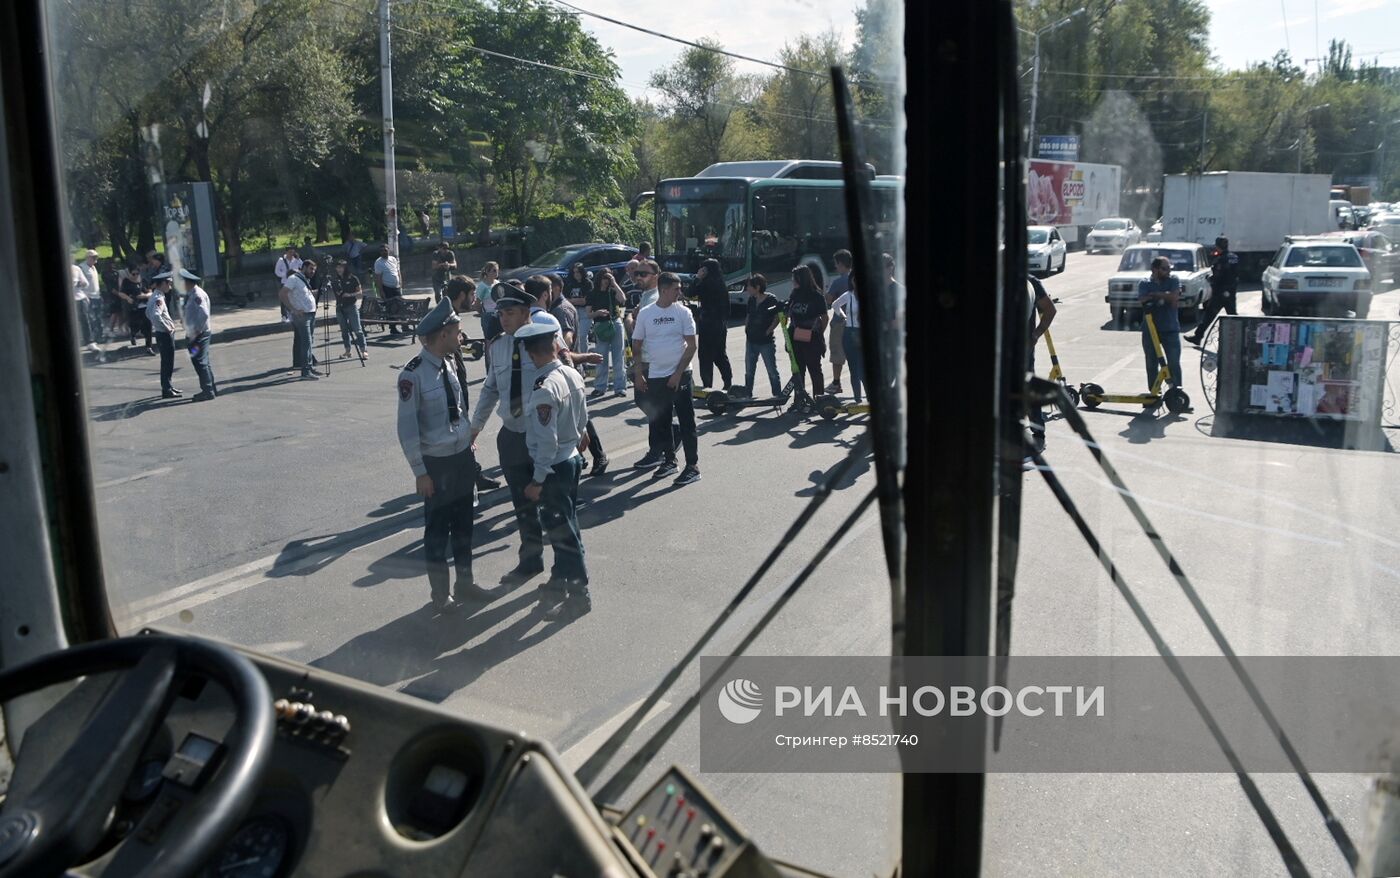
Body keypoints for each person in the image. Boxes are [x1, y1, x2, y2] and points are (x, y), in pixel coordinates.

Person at [396, 297, 488, 613]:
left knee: (464, 526)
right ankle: (440, 595)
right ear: (444, 333)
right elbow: (406, 429)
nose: (462, 337)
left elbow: (458, 411)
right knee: (437, 532)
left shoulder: (451, 363)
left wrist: (468, 443)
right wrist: (420, 472)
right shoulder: (413, 375)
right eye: (458, 332)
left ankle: (465, 582)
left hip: (461, 458)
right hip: (436, 465)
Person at [470, 284, 552, 587]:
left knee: (554, 506)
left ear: (527, 314)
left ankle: (566, 573)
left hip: (543, 436)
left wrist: (578, 430)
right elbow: (491, 388)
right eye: (501, 312)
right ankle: (530, 562)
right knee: (523, 504)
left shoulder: (544, 341)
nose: (503, 318)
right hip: (513, 437)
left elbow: (565, 384)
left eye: (511, 312)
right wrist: (474, 428)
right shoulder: (499, 345)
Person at [517, 321, 591, 620]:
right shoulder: (571, 373)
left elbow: (546, 442)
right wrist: (579, 432)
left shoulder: (544, 388)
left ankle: (579, 595)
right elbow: (583, 416)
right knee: (568, 525)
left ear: (530, 352)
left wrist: (537, 480)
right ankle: (560, 582)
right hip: (570, 460)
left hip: (554, 468)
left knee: (563, 535)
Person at [631, 272, 700, 486]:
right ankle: (670, 460)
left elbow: (691, 345)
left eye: (680, 288)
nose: (680, 292)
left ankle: (692, 466)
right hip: (656, 375)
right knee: (661, 420)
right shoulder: (646, 313)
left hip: (680, 374)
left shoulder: (683, 312)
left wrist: (678, 373)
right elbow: (637, 345)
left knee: (687, 421)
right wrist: (638, 373)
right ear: (663, 289)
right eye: (676, 289)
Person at [442, 275, 504, 495]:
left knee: (462, 430)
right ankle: (465, 478)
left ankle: (472, 474)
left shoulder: (450, 313)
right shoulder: (445, 315)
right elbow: (431, 342)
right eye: (471, 295)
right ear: (461, 295)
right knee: (459, 431)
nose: (474, 299)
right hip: (451, 384)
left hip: (457, 380)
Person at [1137, 255, 1184, 398]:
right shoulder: (1144, 283)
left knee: (1173, 363)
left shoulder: (1173, 280)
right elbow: (1142, 300)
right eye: (1164, 269)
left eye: (1169, 268)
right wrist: (1165, 295)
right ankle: (1154, 393)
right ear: (1155, 269)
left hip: (1170, 329)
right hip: (1150, 331)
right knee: (1151, 363)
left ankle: (1176, 394)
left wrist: (1156, 294)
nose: (1168, 271)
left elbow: (1174, 298)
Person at [787, 264, 829, 409]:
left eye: (795, 278)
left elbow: (825, 317)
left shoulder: (816, 295)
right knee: (798, 371)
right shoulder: (794, 294)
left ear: (802, 278)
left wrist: (818, 333)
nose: (793, 281)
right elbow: (789, 312)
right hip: (795, 337)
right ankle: (799, 400)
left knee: (815, 370)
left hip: (812, 339)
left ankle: (819, 401)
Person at [1025, 274, 1057, 465]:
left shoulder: (1030, 283)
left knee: (1028, 388)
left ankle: (1038, 433)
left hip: (1022, 349)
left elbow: (1050, 310)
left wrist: (1035, 335)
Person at [1185, 235, 1239, 346]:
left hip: (1220, 293)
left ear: (1218, 246)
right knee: (1233, 317)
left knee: (1209, 315)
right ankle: (1240, 338)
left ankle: (1198, 336)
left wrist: (1210, 279)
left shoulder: (1220, 259)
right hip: (1231, 292)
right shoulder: (1234, 257)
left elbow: (1218, 276)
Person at [692, 258, 733, 392]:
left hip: (708, 323)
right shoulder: (721, 283)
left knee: (705, 356)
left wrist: (698, 278)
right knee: (720, 354)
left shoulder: (705, 283)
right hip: (720, 324)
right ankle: (728, 381)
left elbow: (689, 292)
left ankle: (707, 384)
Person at [587, 268, 627, 398]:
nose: (606, 281)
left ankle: (620, 388)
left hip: (615, 323)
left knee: (618, 357)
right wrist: (597, 313)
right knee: (601, 357)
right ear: (599, 278)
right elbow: (588, 314)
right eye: (604, 278)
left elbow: (622, 299)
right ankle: (600, 387)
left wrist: (615, 284)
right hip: (600, 325)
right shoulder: (593, 293)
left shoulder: (612, 291)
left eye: (608, 278)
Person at [740, 274, 783, 398]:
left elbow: (777, 317)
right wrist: (746, 328)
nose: (747, 289)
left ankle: (777, 395)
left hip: (766, 342)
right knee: (749, 371)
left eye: (749, 286)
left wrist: (769, 330)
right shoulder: (751, 300)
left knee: (771, 370)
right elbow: (748, 315)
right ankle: (747, 394)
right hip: (751, 340)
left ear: (757, 287)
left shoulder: (771, 299)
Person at [178, 268, 217, 401]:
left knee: (200, 362)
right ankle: (210, 388)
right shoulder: (191, 294)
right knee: (202, 361)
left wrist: (197, 330)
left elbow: (204, 314)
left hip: (199, 334)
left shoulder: (197, 295)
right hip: (195, 334)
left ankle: (208, 391)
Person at [281, 258, 323, 379]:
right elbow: (282, 293)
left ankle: (309, 367)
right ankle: (305, 371)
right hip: (302, 315)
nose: (313, 271)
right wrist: (293, 309)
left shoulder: (304, 280)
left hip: (310, 313)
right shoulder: (294, 279)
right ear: (303, 267)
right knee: (306, 342)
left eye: (314, 269)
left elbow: (305, 295)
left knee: (310, 342)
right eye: (311, 269)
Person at [831, 275, 865, 404]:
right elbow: (835, 305)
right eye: (854, 279)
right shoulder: (848, 295)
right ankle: (857, 398)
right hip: (849, 332)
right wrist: (844, 316)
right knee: (853, 368)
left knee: (863, 368)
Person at [146, 271, 180, 398]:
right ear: (162, 284)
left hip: (161, 333)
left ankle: (169, 386)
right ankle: (167, 389)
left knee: (167, 362)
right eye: (169, 283)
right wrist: (166, 327)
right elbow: (155, 315)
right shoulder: (158, 298)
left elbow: (148, 313)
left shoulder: (156, 296)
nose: (170, 286)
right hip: (164, 335)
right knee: (167, 362)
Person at [825, 249, 853, 394]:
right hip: (855, 322)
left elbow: (829, 300)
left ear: (841, 264)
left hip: (839, 321)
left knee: (837, 352)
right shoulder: (855, 279)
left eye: (836, 264)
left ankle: (836, 383)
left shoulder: (838, 281)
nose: (835, 266)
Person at [331, 258, 367, 361]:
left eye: (341, 267)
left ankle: (363, 350)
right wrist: (345, 294)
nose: (339, 269)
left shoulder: (353, 278)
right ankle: (347, 350)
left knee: (357, 329)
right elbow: (339, 293)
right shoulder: (335, 280)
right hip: (340, 307)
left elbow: (360, 292)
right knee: (344, 330)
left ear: (345, 268)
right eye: (337, 267)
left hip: (351, 306)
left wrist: (351, 294)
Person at [374, 244, 410, 335]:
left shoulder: (393, 259)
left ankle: (405, 326)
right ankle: (393, 328)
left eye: (385, 250)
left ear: (388, 250)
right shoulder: (378, 262)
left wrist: (400, 283)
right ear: (380, 252)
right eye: (382, 251)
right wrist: (381, 291)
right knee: (391, 308)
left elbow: (398, 272)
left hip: (396, 287)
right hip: (387, 288)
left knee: (401, 306)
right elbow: (378, 278)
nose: (384, 252)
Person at [118, 262, 154, 353]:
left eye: (137, 274)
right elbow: (121, 293)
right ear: (130, 274)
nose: (135, 276)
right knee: (136, 325)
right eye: (133, 274)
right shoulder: (126, 282)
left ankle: (149, 346)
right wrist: (128, 298)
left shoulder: (143, 281)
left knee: (148, 325)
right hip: (134, 307)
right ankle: (133, 334)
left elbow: (150, 291)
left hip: (144, 306)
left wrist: (146, 295)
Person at [71, 260, 100, 354]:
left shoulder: (76, 269)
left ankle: (90, 342)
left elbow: (85, 283)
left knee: (85, 320)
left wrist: (79, 284)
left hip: (79, 298)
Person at [564, 262, 593, 349]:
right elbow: (565, 300)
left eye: (578, 272)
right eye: (574, 272)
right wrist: (576, 301)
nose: (576, 274)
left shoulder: (588, 283)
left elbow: (585, 301)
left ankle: (584, 358)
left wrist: (571, 300)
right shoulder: (569, 284)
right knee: (576, 336)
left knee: (582, 335)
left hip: (585, 312)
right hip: (572, 312)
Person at [274, 246, 301, 323]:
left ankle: (294, 314)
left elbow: (302, 267)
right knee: (284, 299)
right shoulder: (281, 260)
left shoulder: (296, 260)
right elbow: (277, 271)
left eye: (293, 252)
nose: (291, 254)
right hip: (285, 282)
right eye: (290, 252)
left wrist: (298, 259)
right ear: (286, 252)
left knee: (295, 298)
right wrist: (285, 274)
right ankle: (284, 315)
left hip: (295, 282)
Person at [476, 261, 502, 341]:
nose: (496, 273)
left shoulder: (497, 283)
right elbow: (477, 302)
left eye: (497, 270)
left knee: (500, 338)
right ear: (487, 271)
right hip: (488, 315)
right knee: (489, 340)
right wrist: (483, 313)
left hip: (498, 314)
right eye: (494, 271)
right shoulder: (482, 286)